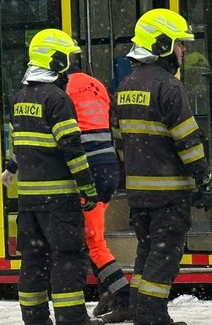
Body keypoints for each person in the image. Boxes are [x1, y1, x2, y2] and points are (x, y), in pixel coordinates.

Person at [113, 8, 211, 325]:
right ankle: (152, 316)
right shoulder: (168, 86)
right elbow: (187, 139)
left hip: (139, 193)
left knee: (147, 251)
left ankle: (139, 308)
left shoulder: (126, 85)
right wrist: (204, 177)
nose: (184, 50)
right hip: (169, 192)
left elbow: (120, 140)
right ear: (163, 44)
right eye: (180, 43)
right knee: (164, 255)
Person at [7, 29, 102, 325]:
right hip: (59, 200)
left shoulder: (21, 97)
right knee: (67, 258)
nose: (71, 66)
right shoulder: (57, 99)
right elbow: (71, 148)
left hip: (29, 201)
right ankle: (72, 318)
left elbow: (18, 147)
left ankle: (34, 318)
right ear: (57, 61)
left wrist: (11, 169)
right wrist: (87, 186)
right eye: (69, 59)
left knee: (33, 261)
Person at [65, 64, 132, 322]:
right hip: (108, 168)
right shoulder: (98, 86)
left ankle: (125, 297)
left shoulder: (63, 90)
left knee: (93, 243)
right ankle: (109, 290)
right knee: (92, 236)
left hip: (89, 170)